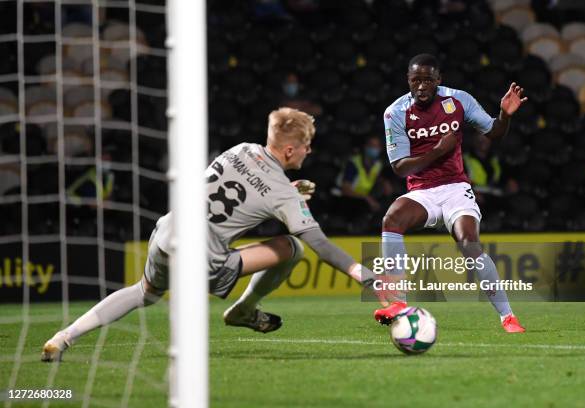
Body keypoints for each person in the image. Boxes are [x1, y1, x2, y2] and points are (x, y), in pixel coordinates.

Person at [41, 107, 392, 362]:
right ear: (290, 151)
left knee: (145, 293)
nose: (309, 150)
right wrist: (367, 277)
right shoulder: (282, 193)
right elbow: (321, 244)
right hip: (201, 257)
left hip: (167, 232)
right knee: (294, 248)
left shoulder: (240, 149)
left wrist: (288, 189)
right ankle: (245, 310)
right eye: (306, 145)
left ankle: (63, 337)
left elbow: (246, 187)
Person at [374, 54, 527, 333]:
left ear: (438, 80)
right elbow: (399, 167)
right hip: (421, 191)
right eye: (415, 80)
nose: (421, 86)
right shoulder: (395, 112)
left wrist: (505, 115)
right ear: (408, 80)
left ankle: (508, 316)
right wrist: (438, 151)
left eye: (427, 80)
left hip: (456, 188)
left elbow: (494, 132)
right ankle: (397, 303)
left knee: (469, 243)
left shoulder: (458, 100)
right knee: (392, 219)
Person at [336, 135, 392, 216]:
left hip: (361, 200)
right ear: (365, 146)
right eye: (371, 145)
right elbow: (345, 190)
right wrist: (366, 198)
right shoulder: (353, 163)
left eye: (376, 146)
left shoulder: (378, 165)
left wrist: (384, 183)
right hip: (344, 200)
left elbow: (375, 177)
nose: (374, 149)